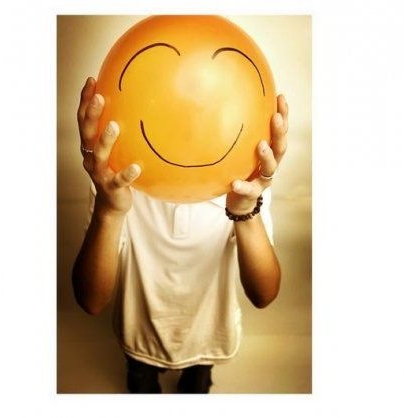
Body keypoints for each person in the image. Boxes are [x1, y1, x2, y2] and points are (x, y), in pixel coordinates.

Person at [72, 77, 289, 393]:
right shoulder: (116, 181)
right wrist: (109, 211)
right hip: (138, 339)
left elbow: (264, 294)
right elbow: (91, 300)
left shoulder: (246, 182)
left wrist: (244, 212)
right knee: (141, 381)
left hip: (208, 340)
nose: (189, 122)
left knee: (196, 385)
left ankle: (197, 375)